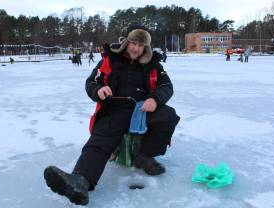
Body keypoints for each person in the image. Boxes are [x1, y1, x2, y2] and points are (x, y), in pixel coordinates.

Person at [43, 25, 180, 206]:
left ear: (145, 47)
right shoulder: (110, 59)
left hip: (142, 110)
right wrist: (98, 90)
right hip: (114, 109)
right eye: (133, 43)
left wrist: (155, 99)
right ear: (126, 42)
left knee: (168, 115)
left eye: (141, 45)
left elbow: (166, 87)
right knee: (102, 138)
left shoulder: (154, 64)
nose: (136, 48)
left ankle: (145, 156)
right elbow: (91, 82)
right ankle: (80, 181)